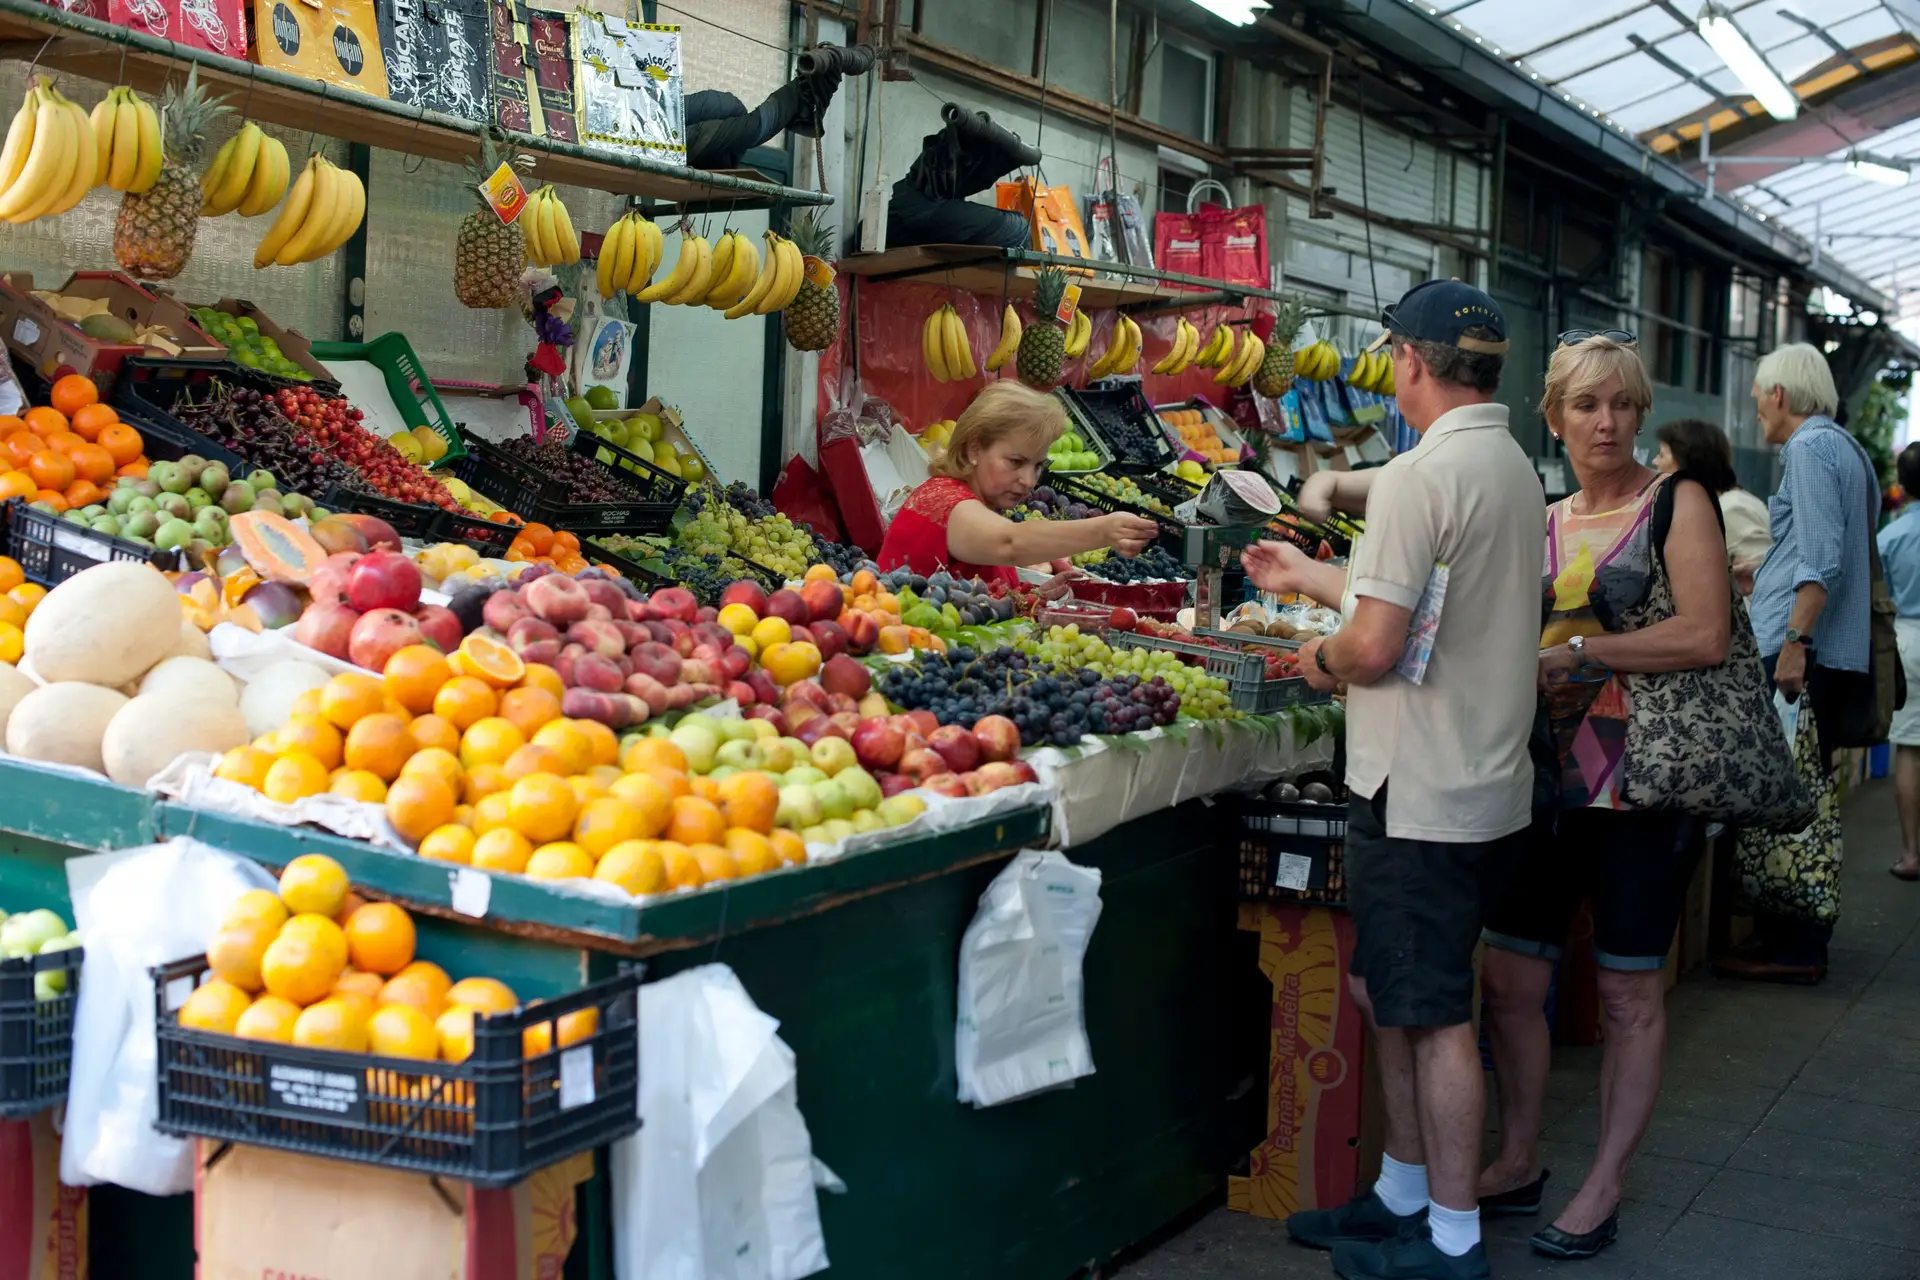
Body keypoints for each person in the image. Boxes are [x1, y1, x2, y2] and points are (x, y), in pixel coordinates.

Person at [1242, 280, 1544, 1280]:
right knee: (1387, 987)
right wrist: (1313, 577)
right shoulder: (1504, 463)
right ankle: (1403, 1189)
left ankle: (1452, 1237)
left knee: (1431, 1009)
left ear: (1409, 360)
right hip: (1474, 776)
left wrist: (1315, 657)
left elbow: (1373, 646)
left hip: (1421, 785)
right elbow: (1422, 607)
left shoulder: (1421, 475)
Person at [1476, 336, 1729, 1261]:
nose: (1608, 423)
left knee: (1626, 994)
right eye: (1586, 405)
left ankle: (1605, 1183)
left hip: (1642, 783)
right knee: (1509, 978)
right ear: (1554, 417)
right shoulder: (1541, 518)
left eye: (1623, 404)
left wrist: (1578, 656)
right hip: (1543, 778)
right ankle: (1517, 1157)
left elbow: (1704, 633)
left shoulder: (1678, 503)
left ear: (1642, 412)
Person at [1714, 342, 1873, 984]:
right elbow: (1813, 544)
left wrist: (1795, 644)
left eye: (1757, 395)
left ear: (1778, 394)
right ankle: (1788, 934)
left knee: (1790, 796)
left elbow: (1822, 556)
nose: (1755, 406)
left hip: (1806, 651)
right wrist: (1766, 568)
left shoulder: (1808, 448)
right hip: (1832, 649)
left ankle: (1797, 944)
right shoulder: (1843, 446)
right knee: (1803, 789)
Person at [876, 381, 1159, 587]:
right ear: (974, 449)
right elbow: (1011, 542)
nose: (1028, 481)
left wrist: (1033, 599)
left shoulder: (978, 503)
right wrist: (1104, 529)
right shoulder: (945, 501)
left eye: (1037, 466)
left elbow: (974, 597)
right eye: (1015, 462)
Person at [1654, 418, 1771, 590]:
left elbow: (1764, 582)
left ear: (1684, 463)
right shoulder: (1714, 507)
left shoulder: (1732, 509)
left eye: (1662, 454)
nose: (1655, 462)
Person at [1879, 443, 1920, 880]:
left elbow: (1880, 598)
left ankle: (1912, 854)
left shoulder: (1890, 536)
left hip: (1909, 638)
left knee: (1910, 750)